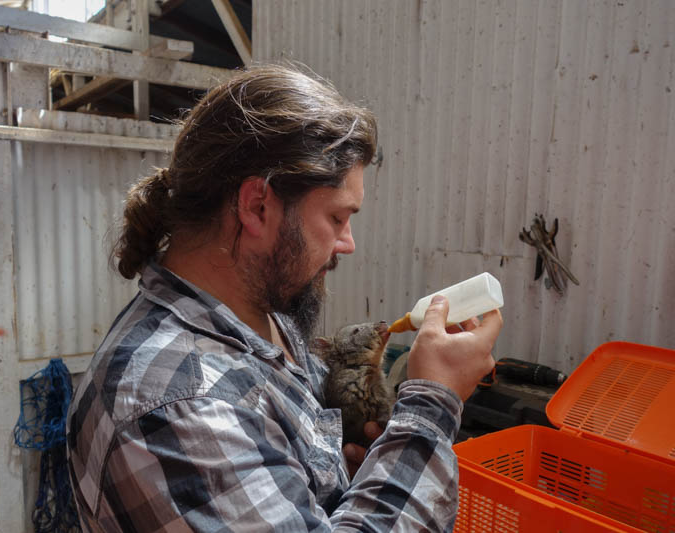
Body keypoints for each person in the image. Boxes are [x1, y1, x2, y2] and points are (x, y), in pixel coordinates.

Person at [66, 64, 502, 532]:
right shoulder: (180, 406)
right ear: (257, 206)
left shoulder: (261, 319)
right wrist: (433, 402)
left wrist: (352, 481)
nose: (347, 243)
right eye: (337, 218)